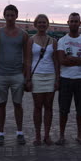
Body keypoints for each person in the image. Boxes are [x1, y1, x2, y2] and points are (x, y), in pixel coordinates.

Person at [0, 4, 29, 146]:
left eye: (12, 15)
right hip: (1, 74)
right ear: (4, 16)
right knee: (1, 105)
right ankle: (0, 133)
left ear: (16, 16)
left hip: (17, 74)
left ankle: (20, 132)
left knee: (18, 104)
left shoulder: (23, 34)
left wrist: (26, 76)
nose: (10, 18)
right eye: (7, 15)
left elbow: (26, 57)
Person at [56, 12, 81, 145]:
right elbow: (61, 60)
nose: (74, 23)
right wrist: (80, 60)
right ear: (68, 22)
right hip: (65, 78)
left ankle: (79, 135)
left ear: (80, 23)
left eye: (76, 21)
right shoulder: (62, 41)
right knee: (63, 109)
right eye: (72, 21)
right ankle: (61, 135)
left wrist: (71, 58)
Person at [25, 14, 59, 146]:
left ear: (47, 24)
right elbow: (28, 60)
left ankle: (47, 135)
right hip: (37, 75)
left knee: (49, 107)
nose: (41, 25)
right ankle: (38, 135)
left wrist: (57, 79)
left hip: (50, 75)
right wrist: (28, 78)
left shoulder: (53, 41)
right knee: (37, 107)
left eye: (44, 22)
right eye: (39, 22)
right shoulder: (31, 40)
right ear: (35, 24)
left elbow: (56, 61)